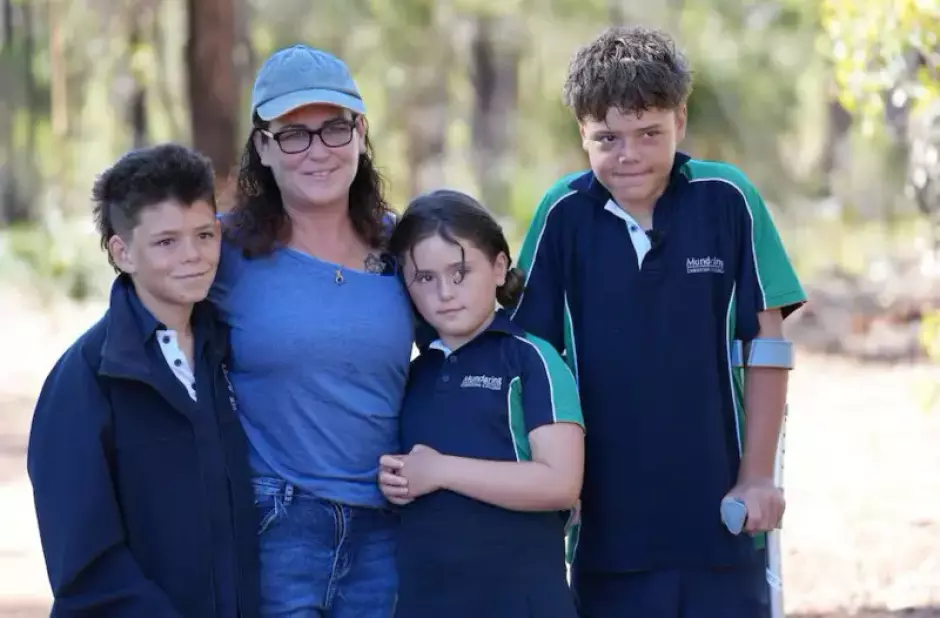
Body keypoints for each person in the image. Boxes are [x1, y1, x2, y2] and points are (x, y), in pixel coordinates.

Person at [511, 26, 808, 618]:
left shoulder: (728, 198)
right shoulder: (561, 215)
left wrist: (756, 478)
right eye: (607, 138)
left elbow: (766, 344)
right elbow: (530, 360)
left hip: (722, 516)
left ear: (681, 120)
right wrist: (545, 479)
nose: (630, 155)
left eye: (650, 133)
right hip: (605, 527)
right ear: (582, 133)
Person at [212, 44, 413, 617]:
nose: (318, 151)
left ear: (360, 133)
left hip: (388, 528)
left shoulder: (406, 245)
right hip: (276, 524)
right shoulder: (222, 250)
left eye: (334, 129)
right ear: (263, 147)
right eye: (294, 135)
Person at [27, 143, 260, 617]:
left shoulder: (228, 354)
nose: (193, 256)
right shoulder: (85, 379)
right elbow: (85, 566)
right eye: (166, 242)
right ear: (123, 251)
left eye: (204, 235)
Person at [378, 189, 585, 618]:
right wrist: (396, 481)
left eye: (460, 272)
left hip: (522, 603)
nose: (445, 292)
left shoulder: (532, 359)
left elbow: (561, 483)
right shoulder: (412, 373)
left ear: (499, 266)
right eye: (425, 278)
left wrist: (440, 471)